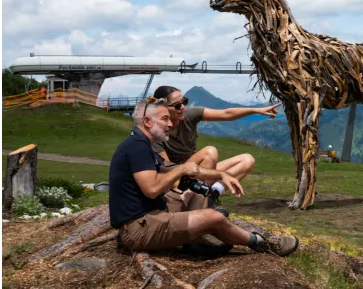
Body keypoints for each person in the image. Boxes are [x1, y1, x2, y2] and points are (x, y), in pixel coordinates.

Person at [107, 97, 298, 256]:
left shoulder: (141, 144)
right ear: (147, 122)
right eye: (165, 119)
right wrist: (180, 170)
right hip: (139, 228)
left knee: (194, 191)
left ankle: (197, 235)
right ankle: (262, 243)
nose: (170, 123)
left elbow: (179, 172)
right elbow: (152, 190)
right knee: (213, 218)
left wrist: (221, 175)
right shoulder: (137, 147)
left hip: (153, 214)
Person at [149, 85, 280, 213]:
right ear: (163, 108)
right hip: (177, 179)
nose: (183, 107)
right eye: (177, 105)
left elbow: (227, 114)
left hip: (196, 171)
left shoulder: (189, 115)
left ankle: (212, 194)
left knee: (247, 160)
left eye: (184, 101)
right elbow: (167, 169)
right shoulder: (156, 132)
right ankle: (198, 210)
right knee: (209, 152)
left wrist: (256, 110)